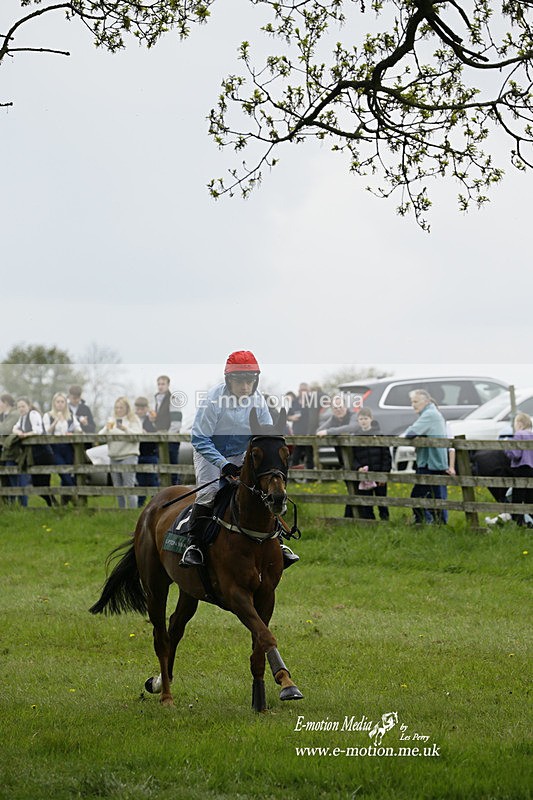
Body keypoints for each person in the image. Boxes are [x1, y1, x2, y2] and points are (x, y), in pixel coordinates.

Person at [181, 350, 299, 569]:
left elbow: (264, 436)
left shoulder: (258, 401)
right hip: (210, 452)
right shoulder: (213, 400)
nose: (245, 387)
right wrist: (222, 464)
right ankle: (194, 545)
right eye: (240, 381)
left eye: (250, 381)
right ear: (228, 380)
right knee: (209, 493)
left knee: (261, 490)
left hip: (240, 453)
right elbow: (199, 438)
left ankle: (278, 541)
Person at [402, 389, 453, 524]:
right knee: (434, 495)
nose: (413, 405)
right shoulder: (430, 413)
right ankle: (434, 524)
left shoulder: (429, 415)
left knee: (420, 496)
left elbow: (410, 433)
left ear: (426, 401)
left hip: (431, 463)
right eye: (412, 402)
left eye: (416, 401)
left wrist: (416, 435)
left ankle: (425, 523)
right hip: (431, 461)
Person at [99, 397, 142, 509]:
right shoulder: (111, 420)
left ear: (127, 408)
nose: (118, 410)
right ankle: (121, 511)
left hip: (128, 455)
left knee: (129, 486)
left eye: (121, 407)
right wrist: (107, 428)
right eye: (116, 407)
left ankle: (132, 511)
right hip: (114, 456)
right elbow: (100, 436)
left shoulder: (133, 420)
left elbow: (137, 436)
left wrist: (125, 428)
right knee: (118, 487)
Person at [12, 397, 56, 507]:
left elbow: (38, 431)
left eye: (23, 406)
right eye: (19, 407)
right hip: (34, 454)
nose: (21, 409)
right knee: (37, 485)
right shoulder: (22, 418)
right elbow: (14, 428)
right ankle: (53, 503)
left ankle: (53, 504)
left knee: (43, 483)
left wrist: (25, 435)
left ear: (28, 406)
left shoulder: (33, 414)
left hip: (43, 453)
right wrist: (18, 432)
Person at [350, 407, 392, 520]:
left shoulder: (379, 435)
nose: (363, 421)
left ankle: (385, 521)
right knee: (367, 502)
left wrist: (384, 474)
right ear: (358, 421)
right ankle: (370, 523)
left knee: (382, 500)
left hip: (379, 473)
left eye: (366, 418)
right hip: (365, 475)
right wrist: (358, 467)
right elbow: (353, 457)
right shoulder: (355, 438)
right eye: (361, 419)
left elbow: (387, 457)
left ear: (371, 419)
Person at [43, 392, 82, 502]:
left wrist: (73, 433)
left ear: (65, 403)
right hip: (54, 448)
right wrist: (55, 421)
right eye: (58, 402)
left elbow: (78, 429)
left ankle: (64, 503)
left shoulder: (70, 417)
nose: (60, 404)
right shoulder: (48, 416)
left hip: (68, 447)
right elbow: (45, 432)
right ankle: (76, 494)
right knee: (63, 471)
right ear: (54, 403)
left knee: (69, 472)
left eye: (62, 402)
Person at [505, 412, 533, 526]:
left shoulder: (519, 434)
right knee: (530, 495)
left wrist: (507, 448)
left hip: (521, 467)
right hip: (532, 468)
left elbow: (516, 454)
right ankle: (530, 521)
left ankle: (518, 521)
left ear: (520, 424)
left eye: (515, 423)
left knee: (518, 495)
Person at [154, 375, 182, 484]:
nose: (160, 387)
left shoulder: (173, 399)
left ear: (168, 385)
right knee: (162, 468)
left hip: (171, 439)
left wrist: (168, 438)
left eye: (163, 384)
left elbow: (176, 422)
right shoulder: (157, 399)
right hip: (161, 439)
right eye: (159, 384)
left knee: (172, 468)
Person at [134, 396, 160, 507]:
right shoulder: (133, 420)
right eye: (138, 409)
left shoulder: (151, 419)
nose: (140, 411)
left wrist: (148, 431)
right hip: (138, 453)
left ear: (146, 409)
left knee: (153, 481)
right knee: (140, 482)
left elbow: (157, 431)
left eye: (142, 409)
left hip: (150, 453)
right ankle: (140, 505)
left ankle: (155, 505)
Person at [0, 394, 22, 503]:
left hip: (13, 451)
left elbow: (5, 429)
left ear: (6, 403)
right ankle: (8, 503)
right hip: (4, 452)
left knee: (12, 476)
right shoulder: (4, 415)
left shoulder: (14, 414)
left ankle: (16, 503)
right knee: (4, 477)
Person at [290, 382, 315, 472]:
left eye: (305, 390)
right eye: (302, 390)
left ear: (309, 391)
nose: (303, 392)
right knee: (296, 454)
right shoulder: (294, 402)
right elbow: (287, 415)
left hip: (309, 431)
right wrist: (291, 417)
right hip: (297, 432)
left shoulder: (312, 401)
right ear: (299, 391)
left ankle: (311, 476)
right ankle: (293, 475)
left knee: (309, 454)